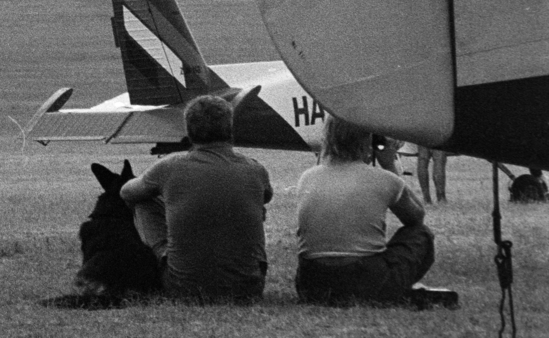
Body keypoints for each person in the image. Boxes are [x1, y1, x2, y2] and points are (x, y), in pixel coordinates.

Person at [120, 95, 272, 302]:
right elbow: (266, 196)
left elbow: (127, 193)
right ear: (230, 127)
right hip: (248, 288)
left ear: (188, 129)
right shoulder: (256, 169)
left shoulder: (169, 166)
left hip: (184, 288)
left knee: (143, 201)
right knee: (253, 205)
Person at [295, 114, 450, 305]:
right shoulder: (383, 178)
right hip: (366, 279)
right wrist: (388, 164)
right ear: (368, 140)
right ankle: (391, 291)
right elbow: (416, 218)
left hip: (311, 283)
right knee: (421, 234)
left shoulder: (307, 177)